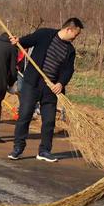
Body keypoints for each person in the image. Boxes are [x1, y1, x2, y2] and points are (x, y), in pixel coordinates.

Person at [8, 17, 84, 163]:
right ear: (69, 29)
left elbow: (69, 70)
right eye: (76, 34)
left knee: (49, 121)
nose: (76, 37)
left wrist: (61, 83)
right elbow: (26, 41)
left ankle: (44, 150)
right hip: (32, 83)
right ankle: (18, 147)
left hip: (51, 88)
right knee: (24, 115)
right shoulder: (45, 34)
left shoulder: (70, 50)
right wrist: (18, 41)